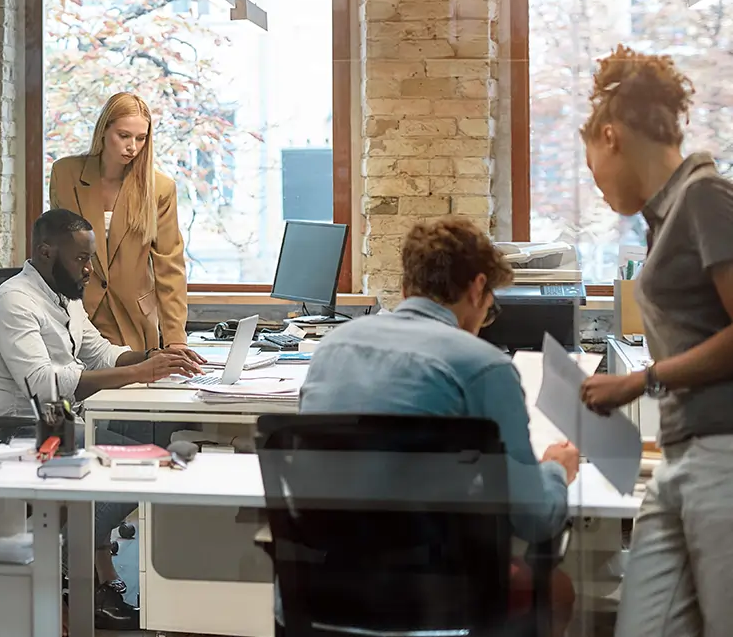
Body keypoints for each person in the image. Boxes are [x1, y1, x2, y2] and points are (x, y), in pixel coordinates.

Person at [300, 217, 579, 637]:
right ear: (476, 288)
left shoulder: (330, 349)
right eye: (490, 305)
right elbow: (534, 519)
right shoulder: (483, 365)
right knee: (556, 589)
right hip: (438, 596)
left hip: (326, 588)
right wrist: (556, 468)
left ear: (407, 287)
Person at [0, 208, 205, 631]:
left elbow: (98, 351)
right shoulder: (14, 301)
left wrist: (154, 357)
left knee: (155, 431)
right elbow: (43, 385)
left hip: (58, 417)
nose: (89, 269)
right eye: (81, 259)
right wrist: (136, 374)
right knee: (142, 461)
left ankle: (90, 567)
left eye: (90, 259)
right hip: (20, 429)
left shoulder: (64, 295)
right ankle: (65, 565)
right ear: (46, 253)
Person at [578, 45, 733, 637]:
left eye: (593, 168)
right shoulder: (666, 217)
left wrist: (641, 380)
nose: (596, 186)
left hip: (722, 453)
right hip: (683, 456)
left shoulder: (704, 196)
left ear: (611, 137)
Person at [49, 92, 189, 352]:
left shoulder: (160, 188)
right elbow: (53, 252)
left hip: (134, 321)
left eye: (141, 138)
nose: (132, 147)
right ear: (104, 131)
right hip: (76, 315)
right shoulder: (65, 174)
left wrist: (175, 340)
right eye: (124, 136)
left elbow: (170, 268)